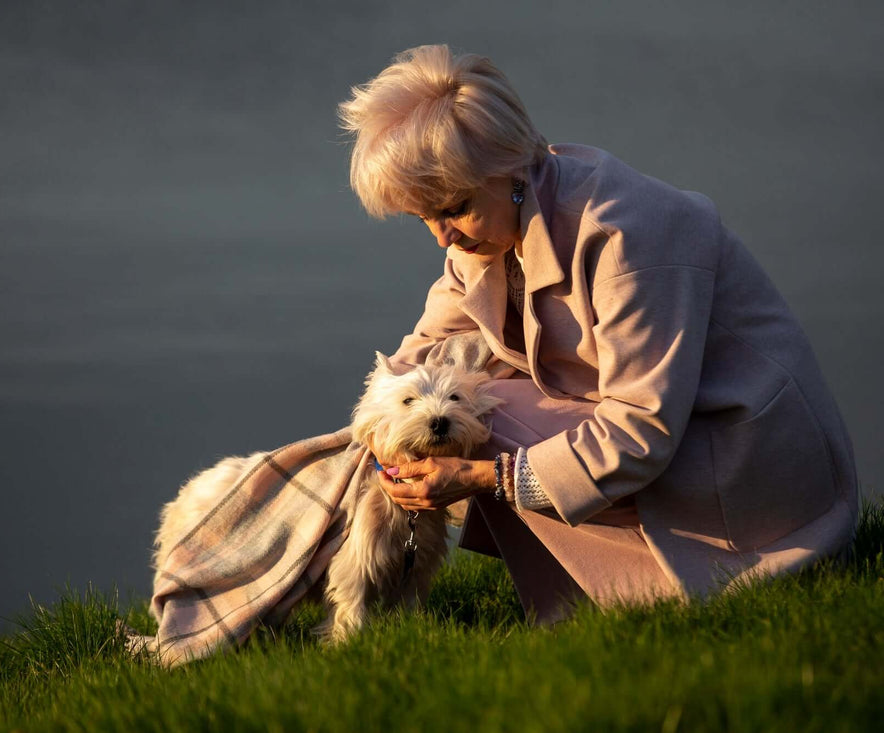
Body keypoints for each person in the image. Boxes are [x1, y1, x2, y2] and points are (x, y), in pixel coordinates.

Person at [339, 44, 859, 621]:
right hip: (670, 448)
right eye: (423, 219)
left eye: (453, 209)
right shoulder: (489, 226)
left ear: (508, 168)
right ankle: (579, 602)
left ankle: (648, 589)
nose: (443, 239)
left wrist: (483, 476)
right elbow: (417, 363)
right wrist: (338, 462)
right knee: (432, 407)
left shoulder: (625, 235)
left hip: (751, 484)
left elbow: (642, 428)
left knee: (482, 412)